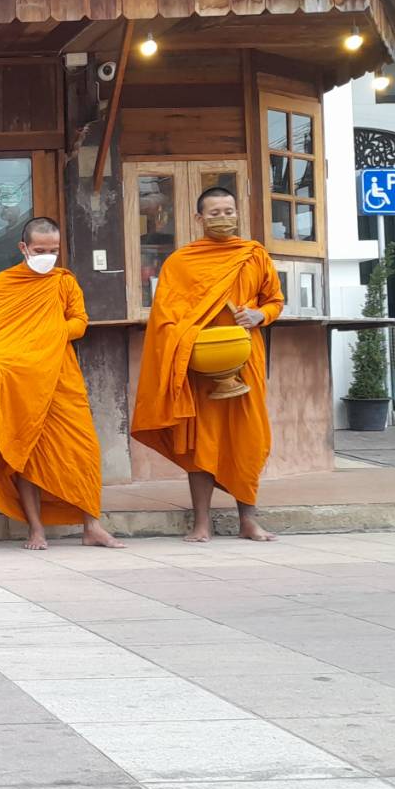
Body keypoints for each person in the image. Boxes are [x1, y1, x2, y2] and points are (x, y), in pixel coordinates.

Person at [132, 186, 284, 543]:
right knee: (202, 441)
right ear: (199, 219)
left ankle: (249, 520)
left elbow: (275, 301)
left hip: (244, 360)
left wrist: (259, 314)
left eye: (228, 211)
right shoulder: (181, 262)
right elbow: (165, 318)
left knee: (248, 438)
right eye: (214, 213)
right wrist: (190, 338)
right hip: (198, 366)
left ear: (237, 214)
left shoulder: (253, 255)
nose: (223, 219)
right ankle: (201, 522)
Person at [0, 217, 124, 550]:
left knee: (82, 450)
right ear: (23, 248)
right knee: (25, 453)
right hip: (22, 384)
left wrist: (52, 334)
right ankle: (35, 528)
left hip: (60, 379)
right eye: (40, 250)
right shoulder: (4, 282)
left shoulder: (64, 281)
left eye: (53, 250)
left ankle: (91, 524)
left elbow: (79, 321)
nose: (47, 256)